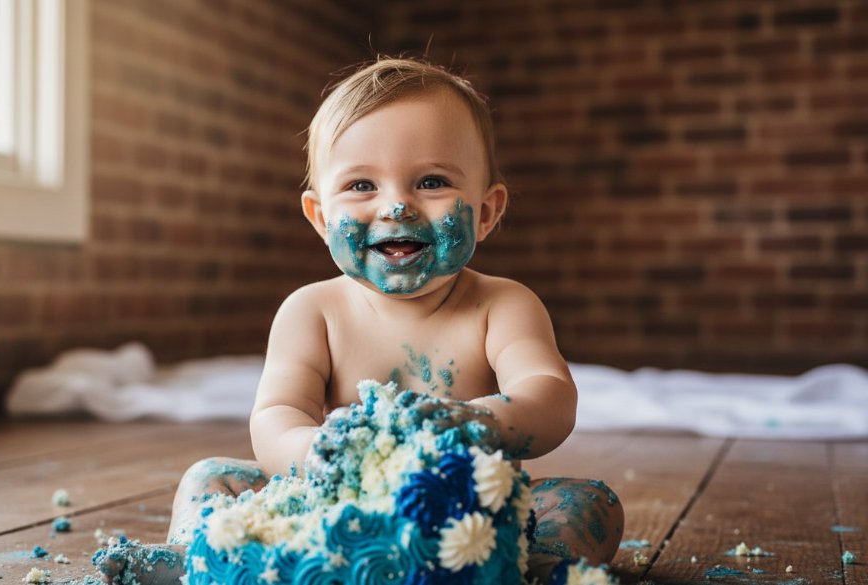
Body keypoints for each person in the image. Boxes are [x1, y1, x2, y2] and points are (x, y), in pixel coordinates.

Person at [95, 57, 624, 585]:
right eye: (362, 186)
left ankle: (532, 567)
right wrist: (317, 454)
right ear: (321, 219)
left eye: (432, 181)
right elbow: (278, 413)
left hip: (463, 514)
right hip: (327, 503)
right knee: (210, 476)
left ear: (486, 212)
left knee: (589, 501)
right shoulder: (312, 311)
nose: (396, 206)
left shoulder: (502, 305)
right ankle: (200, 559)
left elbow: (550, 396)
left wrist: (477, 422)